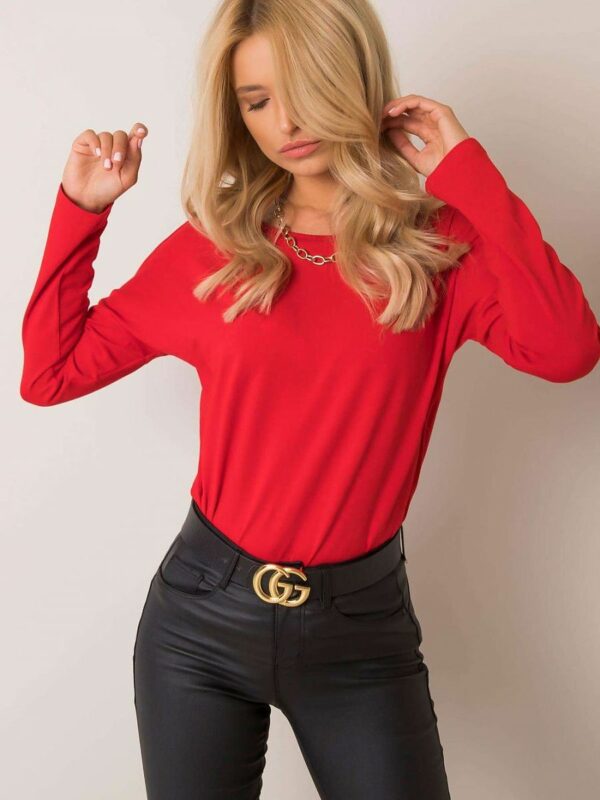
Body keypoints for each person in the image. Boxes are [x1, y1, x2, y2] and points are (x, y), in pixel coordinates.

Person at [19, 1, 600, 798]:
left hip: (362, 635)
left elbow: (568, 350)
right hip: (198, 624)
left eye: (303, 89)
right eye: (258, 101)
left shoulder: (436, 247)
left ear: (352, 80)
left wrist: (468, 173)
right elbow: (50, 373)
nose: (285, 123)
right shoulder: (215, 249)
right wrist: (81, 211)